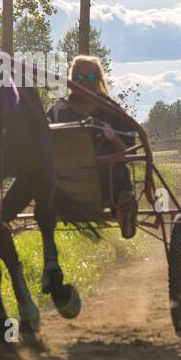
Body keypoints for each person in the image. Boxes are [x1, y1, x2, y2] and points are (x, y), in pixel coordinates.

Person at [48, 54, 138, 238]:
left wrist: (111, 136)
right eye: (79, 78)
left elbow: (128, 151)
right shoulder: (58, 110)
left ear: (98, 80)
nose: (85, 83)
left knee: (116, 167)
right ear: (72, 80)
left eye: (90, 78)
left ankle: (123, 208)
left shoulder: (111, 109)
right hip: (66, 177)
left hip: (104, 177)